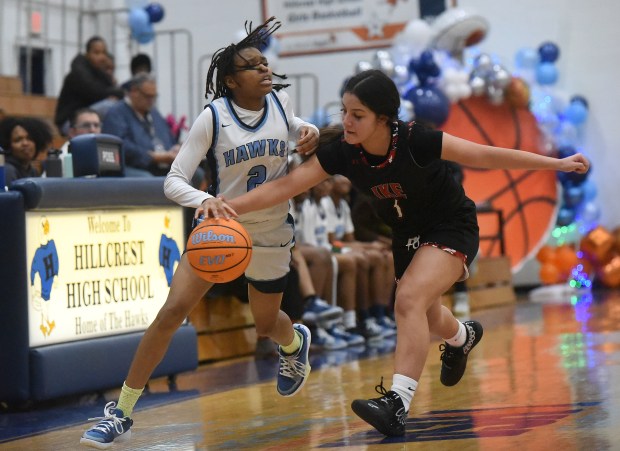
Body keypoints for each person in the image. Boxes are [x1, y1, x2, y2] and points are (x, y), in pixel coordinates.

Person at [213, 69, 590, 437]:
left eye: (357, 115)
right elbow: (286, 187)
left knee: (407, 299)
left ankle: (397, 403)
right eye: (344, 111)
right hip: (407, 234)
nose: (346, 121)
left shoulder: (415, 140)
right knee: (425, 312)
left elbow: (485, 155)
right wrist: (228, 205)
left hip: (451, 225)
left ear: (383, 119)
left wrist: (555, 164)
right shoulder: (345, 153)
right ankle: (460, 337)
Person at [79, 17, 319, 448]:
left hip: (270, 232)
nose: (266, 70)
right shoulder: (214, 117)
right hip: (220, 230)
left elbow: (303, 127)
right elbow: (173, 180)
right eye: (253, 66)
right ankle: (122, 411)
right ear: (231, 79)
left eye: (266, 63)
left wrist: (311, 132)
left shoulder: (281, 107)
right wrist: (202, 199)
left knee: (267, 325)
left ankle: (293, 342)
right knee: (171, 314)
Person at [102, 73, 180, 177]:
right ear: (134, 91)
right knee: (148, 179)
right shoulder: (116, 113)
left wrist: (175, 147)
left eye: (154, 96)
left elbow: (168, 137)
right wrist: (152, 157)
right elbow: (120, 146)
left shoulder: (154, 113)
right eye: (148, 96)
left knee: (196, 174)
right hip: (135, 167)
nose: (151, 101)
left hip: (163, 164)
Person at [54, 36, 124, 134]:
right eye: (97, 53)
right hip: (70, 122)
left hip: (89, 120)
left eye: (104, 53)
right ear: (87, 54)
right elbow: (96, 92)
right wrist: (115, 92)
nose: (101, 57)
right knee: (110, 105)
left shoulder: (99, 72)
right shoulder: (79, 73)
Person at [0, 117, 51, 185]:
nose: (25, 143)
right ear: (8, 145)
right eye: (18, 140)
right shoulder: (8, 170)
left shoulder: (33, 171)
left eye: (30, 139)